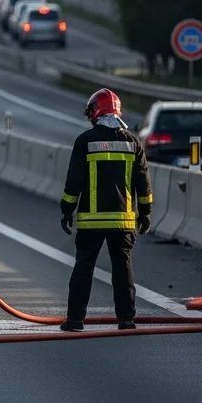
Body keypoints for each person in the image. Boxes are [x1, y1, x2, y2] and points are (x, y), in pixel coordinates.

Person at [59, 88, 152, 332]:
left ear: (95, 112)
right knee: (123, 271)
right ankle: (126, 319)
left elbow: (74, 181)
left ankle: (75, 320)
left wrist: (67, 210)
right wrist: (146, 212)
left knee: (84, 269)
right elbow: (143, 182)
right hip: (123, 221)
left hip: (91, 222)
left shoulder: (85, 141)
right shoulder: (133, 142)